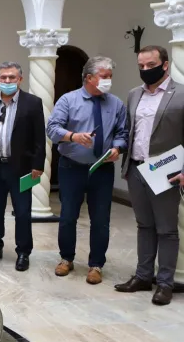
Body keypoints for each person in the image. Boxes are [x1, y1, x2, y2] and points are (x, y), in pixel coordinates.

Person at [47, 56, 127, 285]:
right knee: (68, 216)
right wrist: (73, 136)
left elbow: (122, 133)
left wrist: (117, 148)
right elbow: (52, 129)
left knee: (101, 219)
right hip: (71, 168)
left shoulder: (116, 104)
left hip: (102, 169)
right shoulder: (68, 100)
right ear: (89, 77)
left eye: (110, 76)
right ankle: (66, 259)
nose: (108, 80)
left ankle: (96, 265)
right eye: (104, 76)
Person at [115, 46, 184, 306]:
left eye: (151, 65)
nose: (145, 70)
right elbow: (129, 130)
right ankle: (143, 276)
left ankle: (165, 283)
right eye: (141, 66)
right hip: (135, 168)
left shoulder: (181, 94)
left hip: (166, 171)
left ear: (165, 65)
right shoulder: (134, 94)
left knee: (167, 230)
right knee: (144, 226)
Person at [0, 62, 45, 271]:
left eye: (12, 77)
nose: (7, 81)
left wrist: (38, 164)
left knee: (22, 212)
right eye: (3, 77)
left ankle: (23, 252)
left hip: (22, 169)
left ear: (20, 79)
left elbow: (39, 137)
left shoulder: (33, 103)